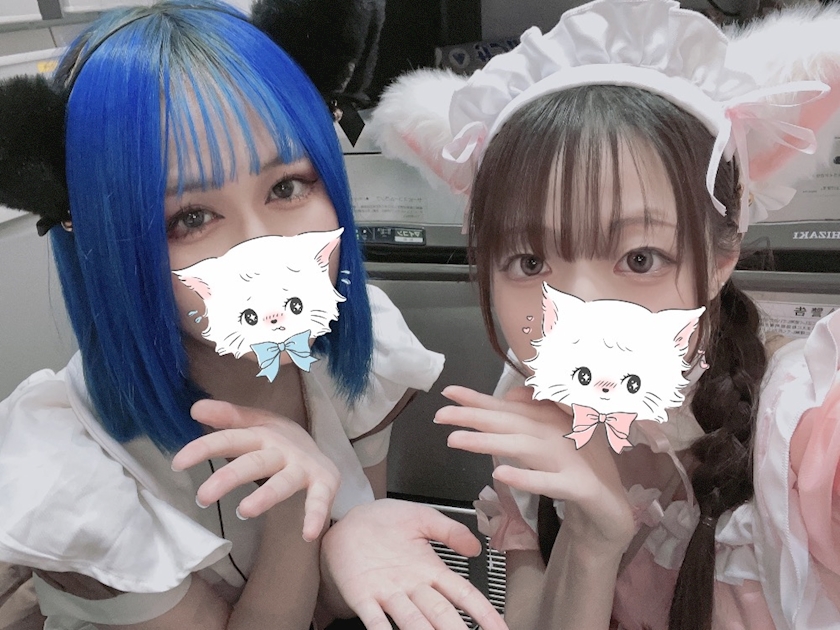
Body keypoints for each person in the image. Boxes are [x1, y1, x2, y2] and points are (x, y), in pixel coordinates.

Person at [363, 0, 840, 628]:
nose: (579, 314)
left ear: (722, 258)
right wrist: (592, 539)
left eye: (640, 258)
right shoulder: (528, 407)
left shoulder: (803, 428)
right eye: (530, 261)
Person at [0, 1, 447, 627]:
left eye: (287, 187)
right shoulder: (68, 469)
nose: (267, 258)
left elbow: (337, 590)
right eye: (190, 218)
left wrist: (357, 540)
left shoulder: (355, 350)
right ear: (104, 243)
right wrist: (292, 507)